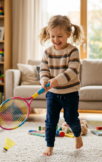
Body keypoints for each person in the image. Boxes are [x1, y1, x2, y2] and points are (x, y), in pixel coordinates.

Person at [38, 15, 85, 156]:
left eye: (60, 36)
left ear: (69, 34)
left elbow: (73, 70)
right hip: (52, 93)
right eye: (52, 36)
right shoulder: (47, 52)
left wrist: (56, 80)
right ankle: (49, 146)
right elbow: (44, 70)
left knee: (71, 119)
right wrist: (44, 81)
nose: (56, 40)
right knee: (50, 120)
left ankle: (77, 135)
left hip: (70, 92)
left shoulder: (73, 51)